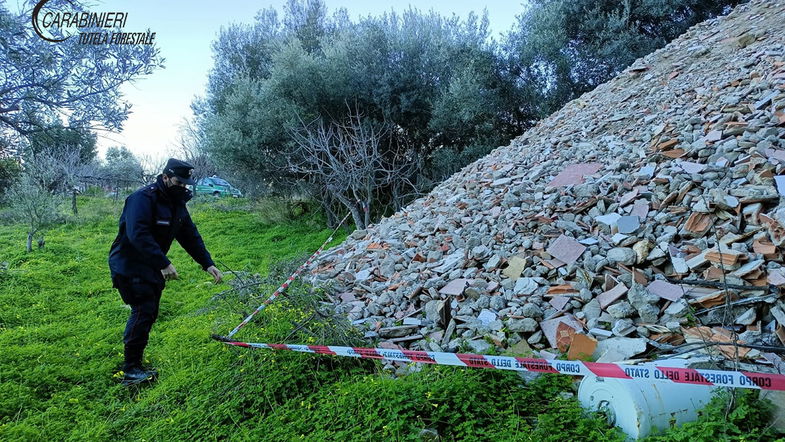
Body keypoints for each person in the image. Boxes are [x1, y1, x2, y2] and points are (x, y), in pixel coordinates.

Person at [109, 158, 223, 385]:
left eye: (185, 183)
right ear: (165, 177)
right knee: (144, 309)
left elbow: (190, 235)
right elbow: (137, 234)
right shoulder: (142, 199)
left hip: (150, 263)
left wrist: (207, 263)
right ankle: (131, 370)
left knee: (149, 312)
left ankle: (135, 363)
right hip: (130, 262)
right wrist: (163, 263)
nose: (183, 186)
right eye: (178, 182)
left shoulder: (177, 203)